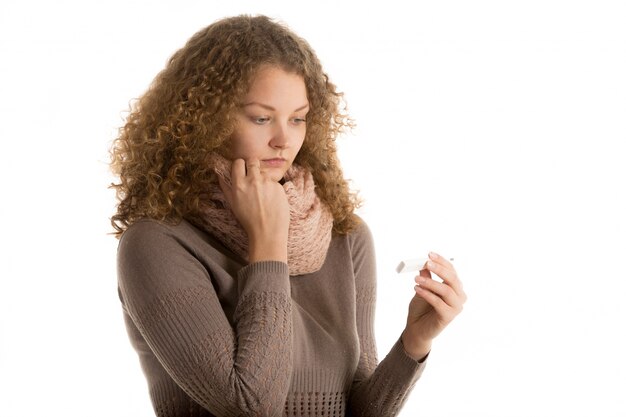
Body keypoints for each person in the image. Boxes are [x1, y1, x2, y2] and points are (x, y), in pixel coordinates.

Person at [109, 14, 466, 417]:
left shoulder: (345, 235)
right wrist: (267, 248)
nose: (284, 139)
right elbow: (248, 405)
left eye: (297, 118)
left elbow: (357, 409)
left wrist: (413, 344)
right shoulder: (157, 243)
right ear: (203, 121)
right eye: (261, 118)